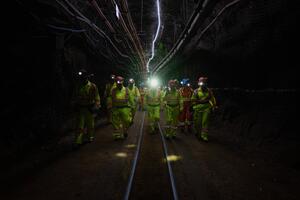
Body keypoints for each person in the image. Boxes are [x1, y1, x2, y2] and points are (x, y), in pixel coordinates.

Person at [72, 69, 101, 147]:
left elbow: (97, 96)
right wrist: (74, 104)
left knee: (90, 124)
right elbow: (75, 96)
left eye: (84, 77)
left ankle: (90, 137)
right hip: (81, 108)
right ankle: (78, 140)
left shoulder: (92, 86)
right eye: (81, 78)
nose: (83, 79)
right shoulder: (78, 86)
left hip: (89, 108)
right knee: (79, 125)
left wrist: (97, 106)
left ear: (87, 78)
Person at [191, 76, 217, 141]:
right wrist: (199, 101)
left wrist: (214, 106)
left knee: (205, 122)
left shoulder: (209, 91)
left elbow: (212, 98)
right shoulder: (196, 91)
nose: (202, 83)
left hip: (206, 108)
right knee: (197, 122)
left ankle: (204, 136)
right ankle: (197, 132)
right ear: (199, 83)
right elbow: (193, 100)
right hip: (197, 109)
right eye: (201, 82)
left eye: (204, 82)